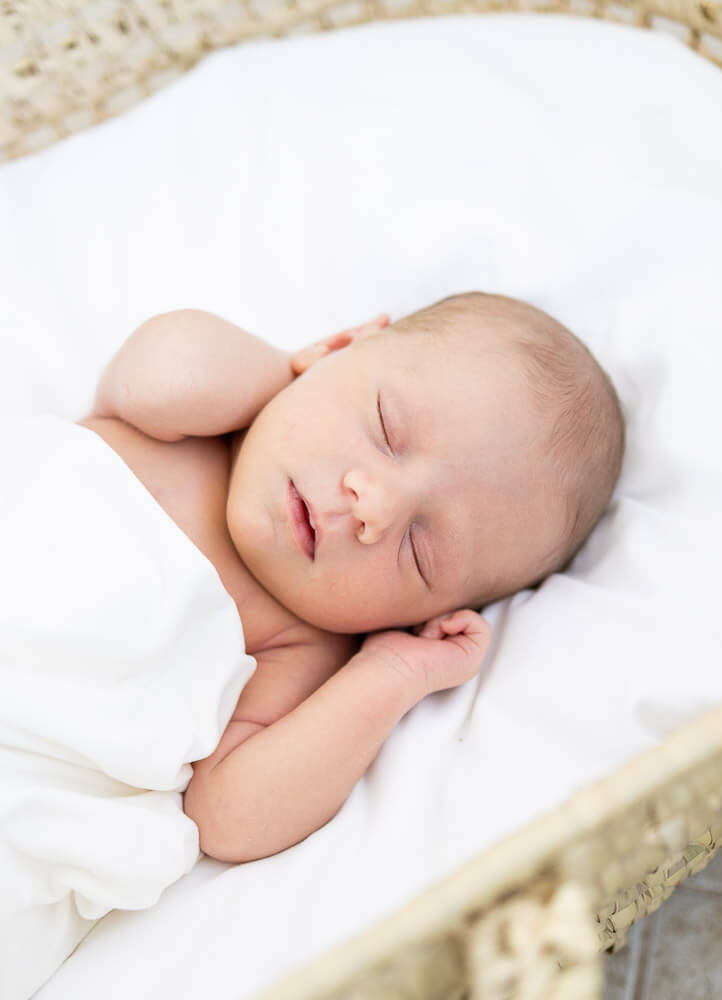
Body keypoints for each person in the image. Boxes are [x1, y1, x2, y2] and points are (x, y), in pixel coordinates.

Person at [79, 290, 624, 863]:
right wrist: (287, 372)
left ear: (421, 616)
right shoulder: (191, 428)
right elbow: (161, 372)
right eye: (388, 429)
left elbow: (229, 819)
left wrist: (391, 674)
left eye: (420, 549)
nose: (375, 506)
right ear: (340, 346)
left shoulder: (299, 646)